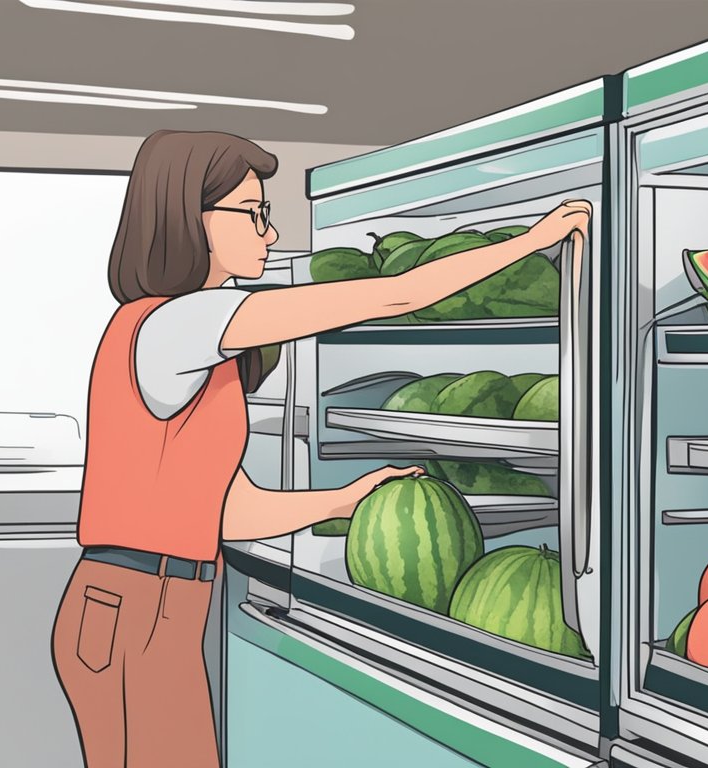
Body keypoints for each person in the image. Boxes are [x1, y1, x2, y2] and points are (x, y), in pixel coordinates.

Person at [49, 130, 591, 768]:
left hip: (143, 606)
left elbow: (225, 511)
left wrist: (345, 498)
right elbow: (397, 295)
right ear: (190, 219)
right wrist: (529, 242)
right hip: (139, 605)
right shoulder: (180, 323)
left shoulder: (185, 340)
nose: (270, 234)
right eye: (253, 213)